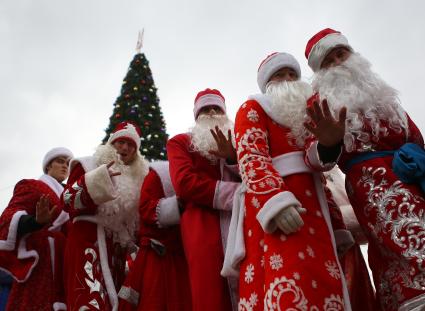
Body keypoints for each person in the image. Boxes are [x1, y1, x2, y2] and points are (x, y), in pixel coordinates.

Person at [304, 28, 425, 311]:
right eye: (329, 60)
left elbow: (415, 137)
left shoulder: (381, 93)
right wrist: (329, 143)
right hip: (372, 186)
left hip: (415, 178)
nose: (337, 61)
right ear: (320, 72)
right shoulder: (318, 105)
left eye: (341, 53)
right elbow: (312, 157)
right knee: (403, 245)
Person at [233, 52, 351, 310]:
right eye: (280, 74)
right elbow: (251, 156)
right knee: (286, 275)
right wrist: (276, 202)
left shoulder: (309, 115)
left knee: (323, 279)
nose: (288, 79)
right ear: (268, 83)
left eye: (292, 74)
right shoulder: (252, 107)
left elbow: (315, 162)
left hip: (315, 207)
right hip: (275, 207)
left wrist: (329, 145)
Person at [167, 88, 240, 311]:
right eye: (205, 109)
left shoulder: (239, 141)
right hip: (201, 226)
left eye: (216, 108)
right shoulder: (180, 142)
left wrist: (231, 157)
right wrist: (238, 194)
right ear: (196, 116)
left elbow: (254, 171)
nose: (211, 113)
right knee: (209, 292)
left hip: (241, 223)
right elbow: (184, 184)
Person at [62, 121, 149, 311]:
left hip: (116, 253)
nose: (125, 147)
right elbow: (67, 200)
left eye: (131, 145)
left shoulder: (138, 182)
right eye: (121, 142)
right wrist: (99, 181)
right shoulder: (87, 164)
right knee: (88, 302)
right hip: (87, 242)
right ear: (111, 143)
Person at [0, 147, 73, 311]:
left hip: (65, 260)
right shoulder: (32, 186)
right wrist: (35, 222)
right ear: (48, 166)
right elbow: (8, 216)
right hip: (41, 258)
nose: (64, 166)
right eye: (60, 161)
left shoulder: (71, 196)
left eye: (68, 164)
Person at [118, 160, 192, 311]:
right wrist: (179, 205)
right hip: (158, 257)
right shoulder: (159, 174)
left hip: (183, 259)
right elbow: (146, 209)